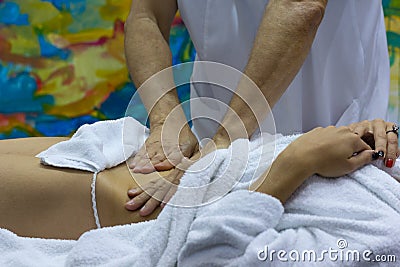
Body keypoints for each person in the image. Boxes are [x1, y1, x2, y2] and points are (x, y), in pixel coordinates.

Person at [123, 0, 394, 216]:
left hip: (335, 139)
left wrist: (222, 144)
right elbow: (147, 17)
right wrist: (165, 120)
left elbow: (301, 6)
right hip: (211, 142)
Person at [0, 120, 397, 240]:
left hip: (122, 205)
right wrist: (377, 132)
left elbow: (213, 256)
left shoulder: (378, 242)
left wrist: (298, 161)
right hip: (137, 148)